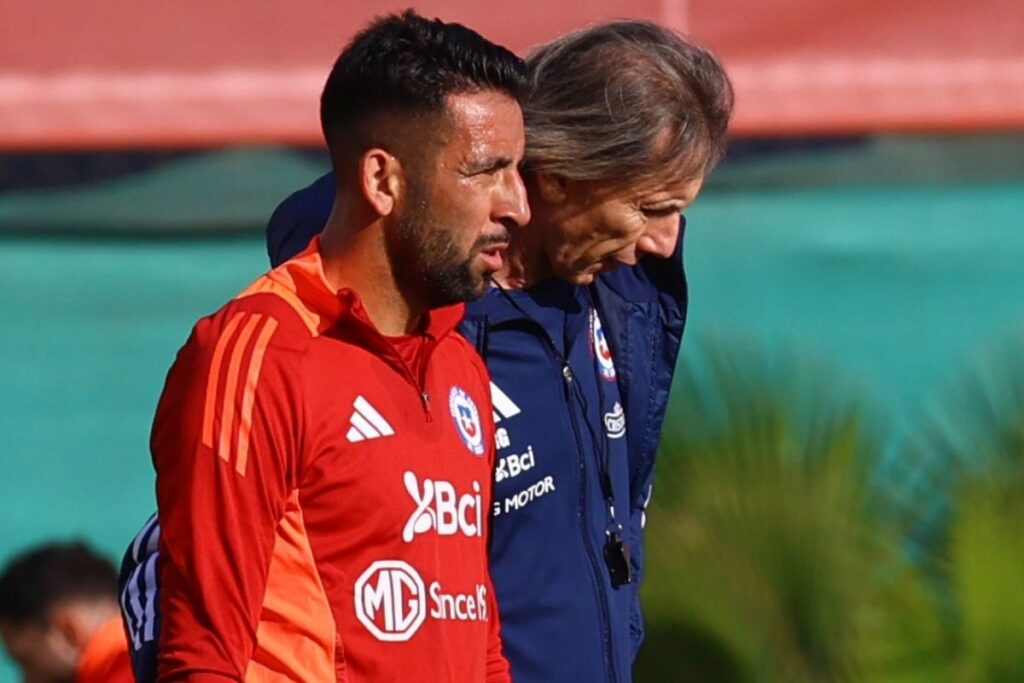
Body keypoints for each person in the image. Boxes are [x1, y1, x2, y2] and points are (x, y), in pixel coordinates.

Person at [123, 19, 732, 683]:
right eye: (650, 207)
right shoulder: (280, 347)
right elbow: (197, 631)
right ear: (563, 173)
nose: (666, 242)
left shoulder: (477, 353)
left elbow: (481, 631)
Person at [137, 10, 529, 682]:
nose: (516, 205)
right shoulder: (257, 352)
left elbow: (481, 642)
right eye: (486, 171)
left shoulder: (458, 360)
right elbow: (202, 654)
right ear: (383, 181)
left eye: (516, 170)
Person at [0, 541, 133, 683]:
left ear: (67, 633)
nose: (25, 680)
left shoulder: (119, 668)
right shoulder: (149, 644)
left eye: (26, 663)